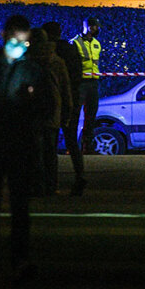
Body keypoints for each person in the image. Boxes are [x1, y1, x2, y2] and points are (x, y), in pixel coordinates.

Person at [0, 15, 58, 284]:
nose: (18, 47)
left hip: (20, 143)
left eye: (23, 43)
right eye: (14, 40)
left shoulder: (33, 69)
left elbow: (47, 106)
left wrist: (30, 107)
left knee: (20, 206)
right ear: (3, 36)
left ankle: (18, 259)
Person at [42, 21, 87, 196]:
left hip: (53, 100)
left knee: (50, 143)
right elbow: (78, 75)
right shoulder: (70, 49)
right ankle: (80, 175)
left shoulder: (49, 53)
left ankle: (50, 182)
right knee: (71, 140)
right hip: (72, 99)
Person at [28, 27, 71, 197]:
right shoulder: (56, 61)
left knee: (34, 151)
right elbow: (65, 89)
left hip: (33, 111)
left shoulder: (27, 60)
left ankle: (37, 186)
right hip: (52, 110)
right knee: (50, 152)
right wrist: (66, 112)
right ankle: (51, 185)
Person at [69, 17, 102, 155]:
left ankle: (87, 146)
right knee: (75, 114)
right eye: (95, 26)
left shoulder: (96, 43)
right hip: (80, 82)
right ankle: (72, 147)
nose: (97, 29)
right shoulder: (74, 42)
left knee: (91, 115)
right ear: (88, 27)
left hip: (93, 82)